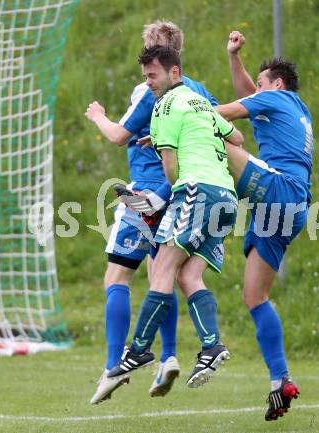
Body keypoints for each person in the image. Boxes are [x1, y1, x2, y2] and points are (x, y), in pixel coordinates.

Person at [84, 21, 217, 404]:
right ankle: (170, 354)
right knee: (164, 274)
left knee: (118, 276)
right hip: (182, 195)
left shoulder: (148, 92)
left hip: (145, 196)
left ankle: (114, 365)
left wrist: (97, 115)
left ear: (156, 58)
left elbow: (117, 135)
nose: (147, 71)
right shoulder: (198, 90)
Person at [107, 45, 243, 389]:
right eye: (146, 77)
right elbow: (238, 138)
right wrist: (188, 136)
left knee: (161, 268)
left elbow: (170, 168)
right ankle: (211, 346)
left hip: (196, 191)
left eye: (153, 75)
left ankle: (139, 350)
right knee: (188, 275)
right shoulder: (200, 104)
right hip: (225, 196)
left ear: (175, 73)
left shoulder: (165, 105)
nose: (149, 83)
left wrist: (177, 185)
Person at [214, 31, 314, 421]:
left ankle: (179, 203)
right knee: (254, 297)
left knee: (216, 142)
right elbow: (249, 96)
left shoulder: (275, 97)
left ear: (277, 84)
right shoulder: (291, 105)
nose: (255, 89)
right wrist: (234, 58)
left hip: (280, 189)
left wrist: (183, 108)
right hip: (291, 207)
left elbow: (233, 109)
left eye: (260, 83)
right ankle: (280, 380)